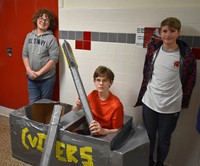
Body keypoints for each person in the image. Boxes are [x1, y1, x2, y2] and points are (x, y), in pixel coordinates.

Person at [135, 17, 196, 166]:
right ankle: (148, 162)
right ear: (160, 32)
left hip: (171, 105)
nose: (168, 35)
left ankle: (160, 163)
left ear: (178, 33)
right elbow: (146, 72)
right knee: (148, 137)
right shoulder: (153, 50)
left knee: (164, 139)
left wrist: (184, 101)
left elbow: (190, 81)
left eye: (172, 31)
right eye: (165, 31)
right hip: (150, 102)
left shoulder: (186, 55)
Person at [72, 66, 124, 135]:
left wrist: (103, 131)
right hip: (92, 131)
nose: (101, 83)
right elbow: (74, 110)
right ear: (94, 81)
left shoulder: (116, 105)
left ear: (110, 83)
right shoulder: (93, 94)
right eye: (98, 80)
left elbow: (118, 130)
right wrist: (77, 105)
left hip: (106, 136)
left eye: (104, 80)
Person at [22, 9, 59, 104]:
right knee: (32, 104)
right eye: (41, 18)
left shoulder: (51, 39)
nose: (43, 21)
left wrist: (38, 73)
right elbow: (25, 54)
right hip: (31, 78)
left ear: (49, 23)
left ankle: (43, 119)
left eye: (46, 20)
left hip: (47, 78)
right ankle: (33, 120)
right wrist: (29, 70)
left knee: (44, 104)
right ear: (36, 19)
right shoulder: (29, 36)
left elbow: (54, 59)